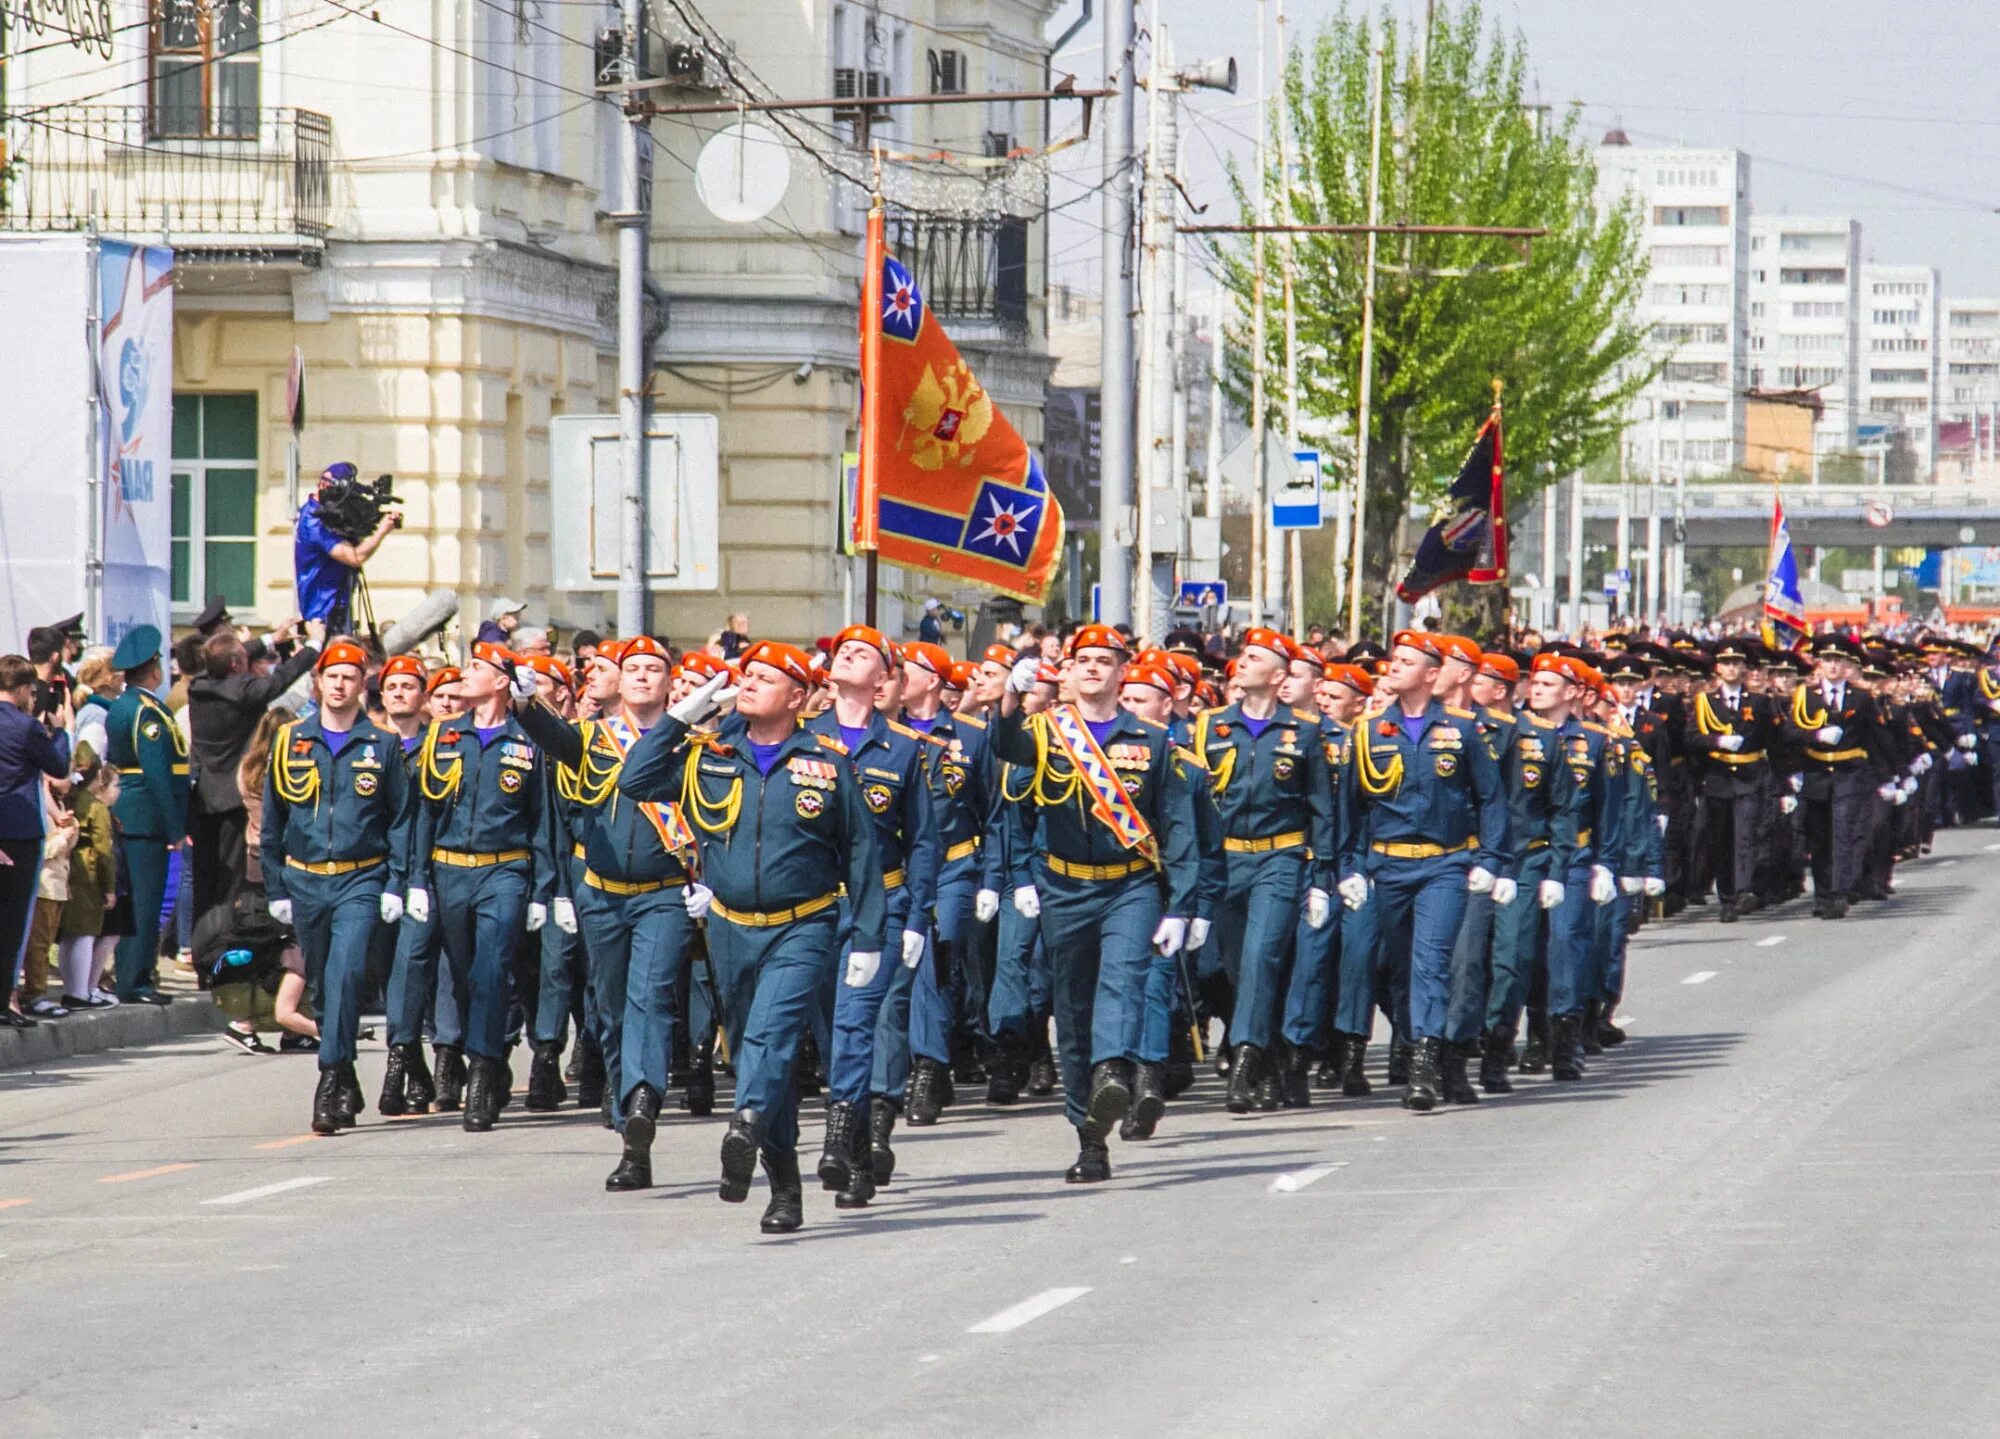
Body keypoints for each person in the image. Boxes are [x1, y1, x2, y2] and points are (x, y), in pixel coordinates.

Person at [618, 643, 880, 1234]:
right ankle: (784, 1186)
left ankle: (746, 1120)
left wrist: (867, 938)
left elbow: (861, 854)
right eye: (748, 675)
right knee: (759, 1056)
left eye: (767, 677)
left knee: (772, 1035)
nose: (751, 683)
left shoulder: (826, 762)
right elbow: (636, 781)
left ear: (797, 696)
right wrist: (680, 718)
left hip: (803, 924)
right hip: (731, 926)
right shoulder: (709, 754)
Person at [991, 625, 1201, 1182]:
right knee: (1074, 1008)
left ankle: (1114, 1070)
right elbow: (1005, 751)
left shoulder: (1154, 742)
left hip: (1128, 884)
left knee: (1122, 980)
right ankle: (1089, 1137)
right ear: (1067, 670)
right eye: (1082, 660)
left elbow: (1178, 828)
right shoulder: (1044, 730)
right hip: (1064, 886)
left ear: (1121, 671)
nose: (1092, 669)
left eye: (1104, 660)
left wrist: (1182, 906)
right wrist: (1009, 701)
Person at [516, 637, 722, 1191]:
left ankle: (641, 1113)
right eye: (631, 668)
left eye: (654, 669)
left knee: (650, 1000)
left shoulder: (691, 746)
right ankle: (624, 1094)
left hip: (663, 894)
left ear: (669, 682)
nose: (641, 677)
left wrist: (713, 884)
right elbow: (550, 734)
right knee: (608, 1010)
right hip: (602, 893)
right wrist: (523, 704)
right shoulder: (592, 738)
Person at [1334, 632, 1510, 1111]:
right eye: (1395, 659)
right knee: (1400, 967)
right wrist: (1349, 866)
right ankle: (1430, 1051)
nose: (1394, 666)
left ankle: (1423, 1068)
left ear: (1432, 675)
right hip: (1387, 865)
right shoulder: (1367, 731)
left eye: (1408, 661)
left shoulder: (1462, 730)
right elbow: (1350, 807)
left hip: (1444, 864)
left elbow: (1491, 798)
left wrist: (1492, 862)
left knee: (1431, 962)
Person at [800, 625, 938, 1209]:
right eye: (842, 650)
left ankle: (837, 1141)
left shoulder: (905, 749)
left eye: (864, 652)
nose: (848, 654)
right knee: (830, 1033)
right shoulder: (803, 739)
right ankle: (859, 1151)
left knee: (858, 1024)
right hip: (810, 906)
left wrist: (914, 921)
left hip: (877, 904)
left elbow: (924, 842)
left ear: (885, 678)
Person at [262, 639, 414, 1134]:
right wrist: (275, 888)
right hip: (305, 879)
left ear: (361, 685)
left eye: (350, 677)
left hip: (361, 876)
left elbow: (400, 819)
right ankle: (346, 1071)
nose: (340, 685)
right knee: (326, 990)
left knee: (348, 974)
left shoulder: (383, 744)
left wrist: (396, 881)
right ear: (318, 682)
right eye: (332, 676)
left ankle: (328, 1081)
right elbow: (272, 820)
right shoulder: (290, 741)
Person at [406, 643, 558, 1133]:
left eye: (476, 668)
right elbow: (425, 813)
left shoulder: (527, 739)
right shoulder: (443, 735)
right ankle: (485, 1052)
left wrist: (542, 890)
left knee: (494, 970)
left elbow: (542, 820)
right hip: (450, 869)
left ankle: (482, 1071)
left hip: (505, 870)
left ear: (500, 681)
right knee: (467, 974)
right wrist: (417, 880)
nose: (464, 676)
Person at [187, 620, 324, 923]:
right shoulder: (243, 690)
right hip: (235, 798)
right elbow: (283, 679)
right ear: (237, 666)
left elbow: (225, 657)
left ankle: (201, 944)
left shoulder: (199, 684)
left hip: (205, 795)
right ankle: (223, 944)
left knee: (205, 878)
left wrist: (271, 639)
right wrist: (315, 644)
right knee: (232, 882)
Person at [0, 653, 73, 1027]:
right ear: (26, 689)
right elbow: (58, 767)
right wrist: (59, 731)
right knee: (14, 921)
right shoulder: (25, 726)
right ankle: (5, 1000)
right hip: (20, 831)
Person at [295, 461, 400, 633]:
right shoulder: (314, 522)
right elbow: (355, 557)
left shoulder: (322, 513)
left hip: (335, 608)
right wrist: (382, 530)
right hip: (323, 615)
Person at [58, 746, 120, 1010]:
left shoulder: (68, 800)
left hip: (66, 866)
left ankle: (72, 988)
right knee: (85, 934)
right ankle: (80, 992)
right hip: (89, 873)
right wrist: (110, 888)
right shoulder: (97, 808)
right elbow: (104, 851)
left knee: (68, 935)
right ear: (98, 777)